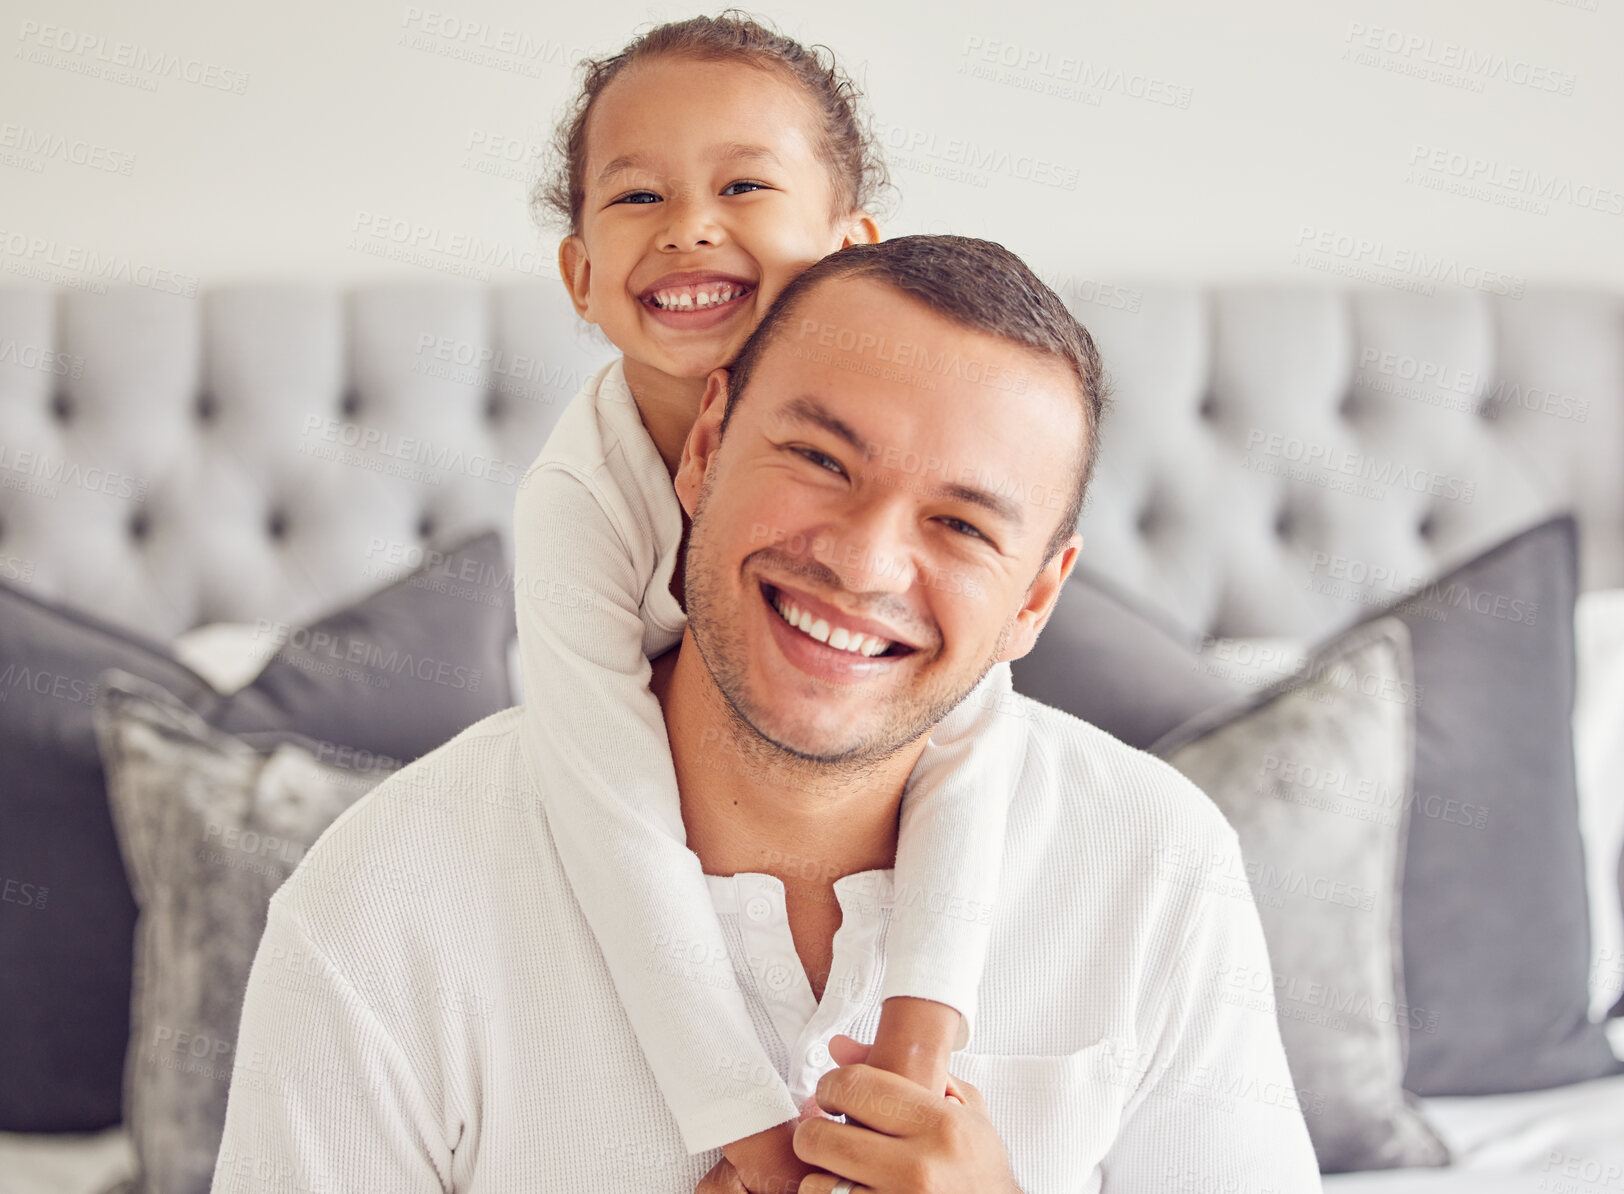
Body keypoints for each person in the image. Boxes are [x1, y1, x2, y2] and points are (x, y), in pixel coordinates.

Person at [210, 235, 1324, 1192]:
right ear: (704, 450)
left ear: (1035, 596)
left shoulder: (1159, 868)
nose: (863, 559)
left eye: (963, 527)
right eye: (818, 458)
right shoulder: (383, 900)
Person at [513, 15, 1019, 1188]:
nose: (690, 225)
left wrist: (913, 1052)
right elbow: (612, 814)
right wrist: (753, 1139)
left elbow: (976, 741)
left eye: (744, 183)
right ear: (581, 274)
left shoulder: (926, 450)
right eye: (635, 198)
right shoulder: (577, 500)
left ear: (852, 251)